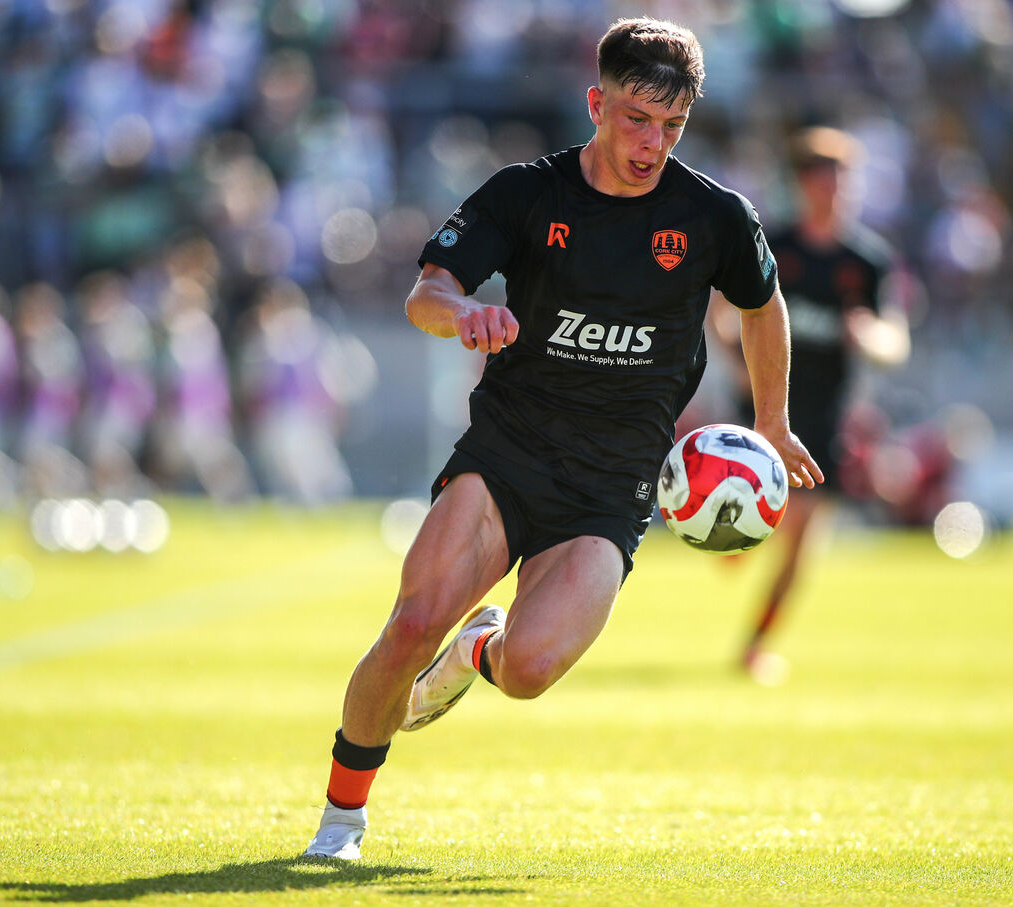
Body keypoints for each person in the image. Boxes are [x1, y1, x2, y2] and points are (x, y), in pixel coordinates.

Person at [302, 17, 823, 861]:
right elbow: (426, 293)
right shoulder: (526, 194)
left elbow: (765, 306)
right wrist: (465, 312)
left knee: (532, 669)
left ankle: (482, 648)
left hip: (610, 490)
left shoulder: (714, 215)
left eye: (672, 125)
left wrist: (772, 422)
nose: (652, 142)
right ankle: (340, 821)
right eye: (635, 118)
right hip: (507, 456)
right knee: (411, 624)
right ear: (596, 103)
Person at [709, 126, 910, 682]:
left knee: (801, 540)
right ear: (801, 184)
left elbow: (896, 339)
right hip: (760, 413)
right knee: (763, 531)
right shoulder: (774, 247)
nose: (834, 191)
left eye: (842, 180)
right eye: (822, 179)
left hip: (825, 418)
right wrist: (738, 367)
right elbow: (723, 311)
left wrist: (871, 337)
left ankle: (755, 647)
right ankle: (735, 536)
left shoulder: (866, 261)